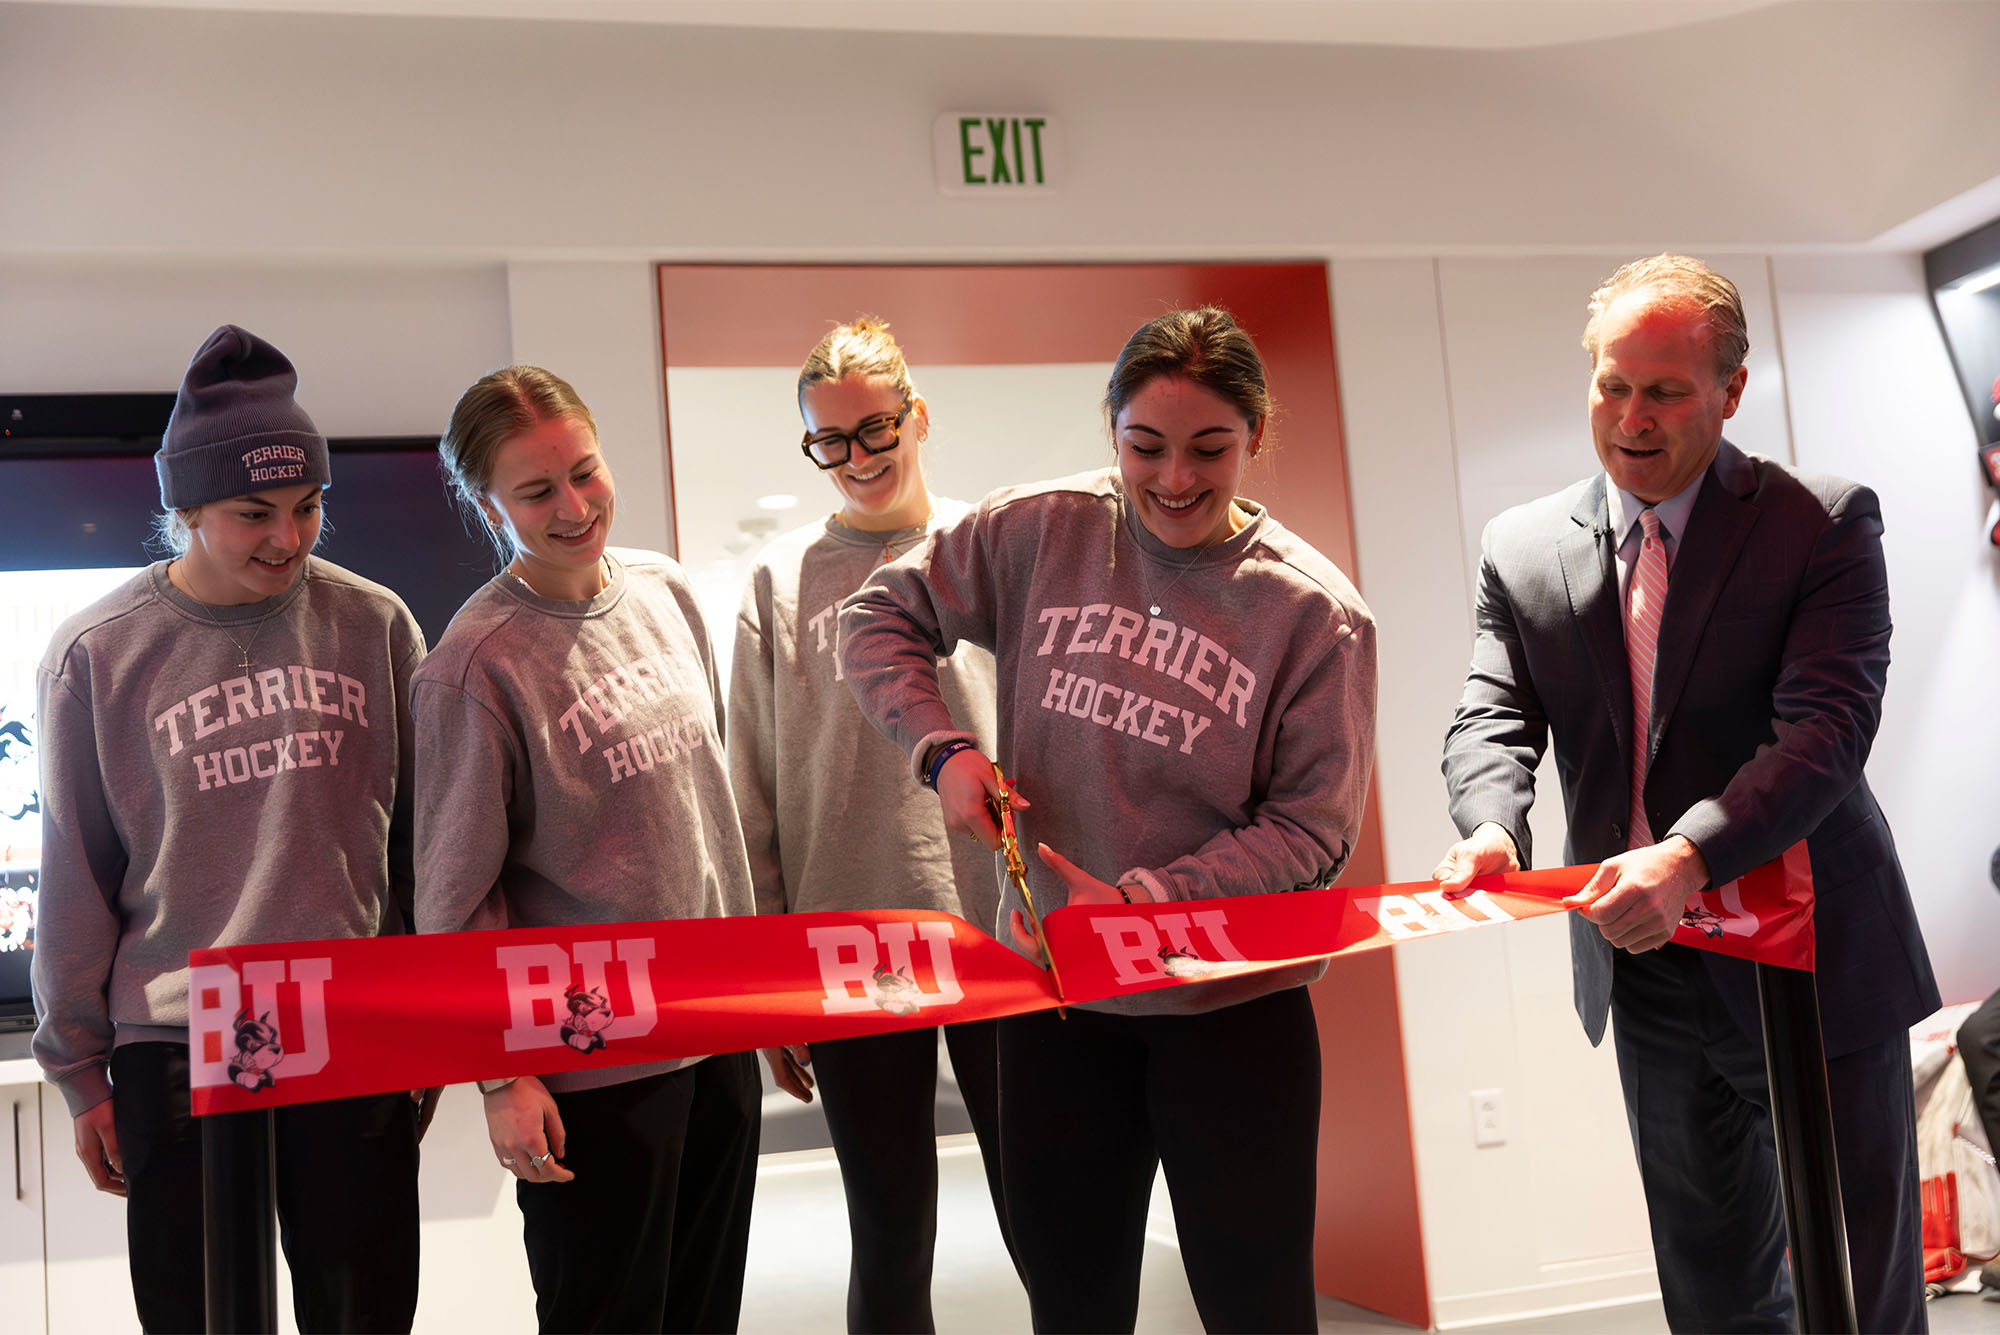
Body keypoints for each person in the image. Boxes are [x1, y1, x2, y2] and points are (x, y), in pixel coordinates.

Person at [840, 306, 1376, 1333]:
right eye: (1145, 448)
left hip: (1231, 1015)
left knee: (1254, 1310)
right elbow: (875, 619)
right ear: (1111, 431)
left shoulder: (1313, 614)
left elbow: (1313, 829)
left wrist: (1151, 904)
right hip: (1059, 1007)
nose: (1174, 479)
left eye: (1208, 449)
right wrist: (942, 749)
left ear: (1253, 437)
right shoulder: (1039, 530)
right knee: (1073, 1308)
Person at [1434, 254, 1940, 1333]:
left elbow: (1824, 731)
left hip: (1807, 957)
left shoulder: (1819, 522)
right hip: (1647, 968)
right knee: (1708, 1288)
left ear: (1730, 391)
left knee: (1852, 1286)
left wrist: (1686, 855)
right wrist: (1488, 823)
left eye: (1663, 390)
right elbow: (1490, 714)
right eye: (1610, 384)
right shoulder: (1521, 548)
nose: (1630, 416)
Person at [31, 324, 425, 1332]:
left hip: (351, 1021)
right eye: (255, 512)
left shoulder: (375, 625)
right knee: (203, 1316)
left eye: (308, 508)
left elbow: (422, 843)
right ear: (186, 508)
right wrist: (80, 1070)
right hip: (176, 1040)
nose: (288, 540)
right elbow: (74, 872)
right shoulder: (99, 656)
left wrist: (425, 1014)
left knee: (363, 1313)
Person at [413, 365, 760, 1334]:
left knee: (705, 1311)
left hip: (717, 1029)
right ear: (487, 504)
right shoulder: (474, 666)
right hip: (591, 1062)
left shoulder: (665, 590)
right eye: (536, 491)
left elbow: (708, 812)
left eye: (585, 472)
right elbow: (452, 899)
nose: (573, 506)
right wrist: (501, 1076)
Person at [728, 316, 1018, 1332]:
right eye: (830, 439)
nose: (856, 456)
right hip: (847, 937)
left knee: (1048, 1216)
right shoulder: (775, 583)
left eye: (874, 427)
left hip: (1001, 926)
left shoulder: (992, 546)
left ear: (917, 416)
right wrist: (773, 970)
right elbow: (751, 786)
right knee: (891, 1230)